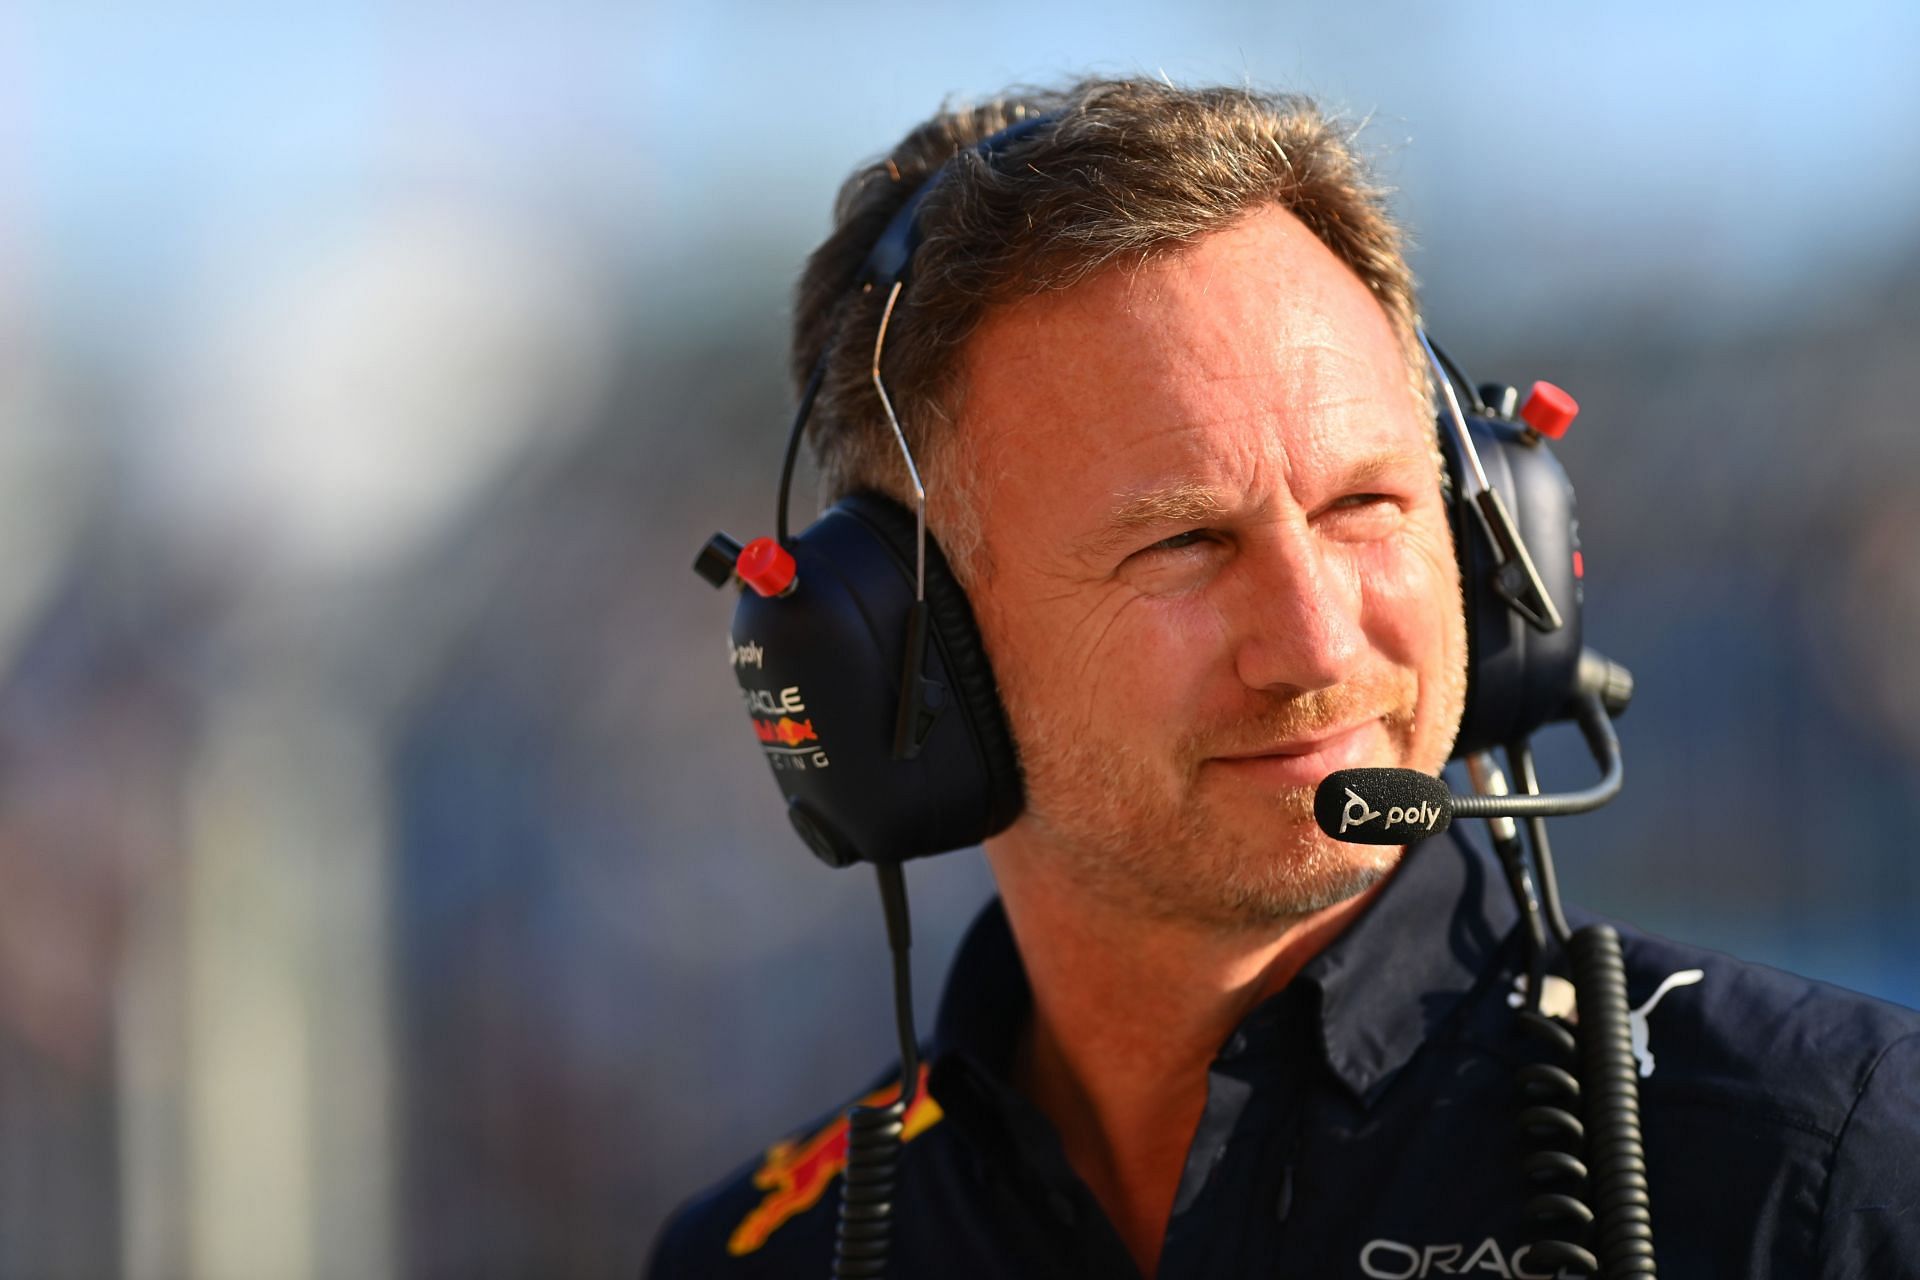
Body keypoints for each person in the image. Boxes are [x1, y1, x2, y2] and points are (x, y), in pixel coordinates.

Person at [650, 78, 1920, 1278]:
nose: (1315, 644)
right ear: (896, 646)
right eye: (1184, 543)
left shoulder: (1831, 1165)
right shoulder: (759, 1251)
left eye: (1366, 504)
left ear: (1493, 545)